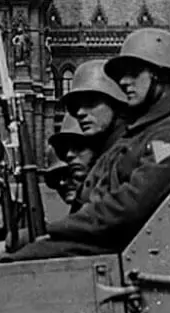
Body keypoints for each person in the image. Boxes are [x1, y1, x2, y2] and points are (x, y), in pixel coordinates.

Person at [4, 29, 170, 260]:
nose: (124, 82)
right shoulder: (147, 133)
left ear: (162, 75)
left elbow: (129, 208)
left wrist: (50, 231)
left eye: (134, 72)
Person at [44, 60, 129, 205]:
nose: (80, 112)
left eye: (91, 102)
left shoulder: (127, 154)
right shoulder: (105, 163)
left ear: (116, 102)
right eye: (75, 106)